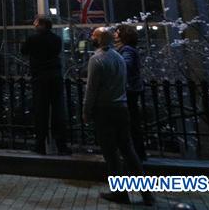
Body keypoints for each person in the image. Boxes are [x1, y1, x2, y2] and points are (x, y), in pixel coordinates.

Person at [83, 27, 154, 206]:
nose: (92, 38)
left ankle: (120, 192)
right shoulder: (119, 58)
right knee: (128, 151)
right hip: (121, 108)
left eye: (94, 36)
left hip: (104, 109)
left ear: (99, 40)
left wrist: (86, 111)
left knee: (111, 154)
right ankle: (146, 194)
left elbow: (91, 89)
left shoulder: (96, 60)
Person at [20, 16, 70, 155]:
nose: (34, 26)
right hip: (55, 76)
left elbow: (23, 51)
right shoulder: (56, 39)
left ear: (42, 25)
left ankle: (40, 144)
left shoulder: (33, 39)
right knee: (58, 110)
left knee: (41, 111)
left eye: (36, 23)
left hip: (40, 77)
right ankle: (61, 145)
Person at [115, 24, 146, 161]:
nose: (115, 34)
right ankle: (137, 153)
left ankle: (135, 153)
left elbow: (125, 65)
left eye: (117, 32)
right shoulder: (129, 49)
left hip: (128, 90)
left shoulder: (126, 49)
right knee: (132, 122)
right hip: (132, 88)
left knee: (130, 123)